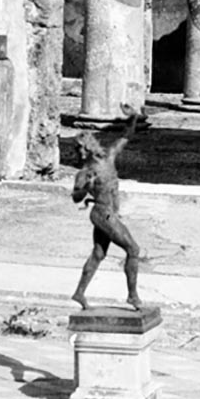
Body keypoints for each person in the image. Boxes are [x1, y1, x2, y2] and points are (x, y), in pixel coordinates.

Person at [71, 106, 142, 311]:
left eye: (80, 149)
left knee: (98, 254)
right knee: (133, 249)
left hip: (108, 213)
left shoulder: (108, 158)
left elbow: (125, 137)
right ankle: (133, 296)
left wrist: (135, 117)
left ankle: (79, 292)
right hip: (103, 214)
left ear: (88, 148)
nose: (79, 154)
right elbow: (76, 198)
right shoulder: (84, 173)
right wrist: (85, 188)